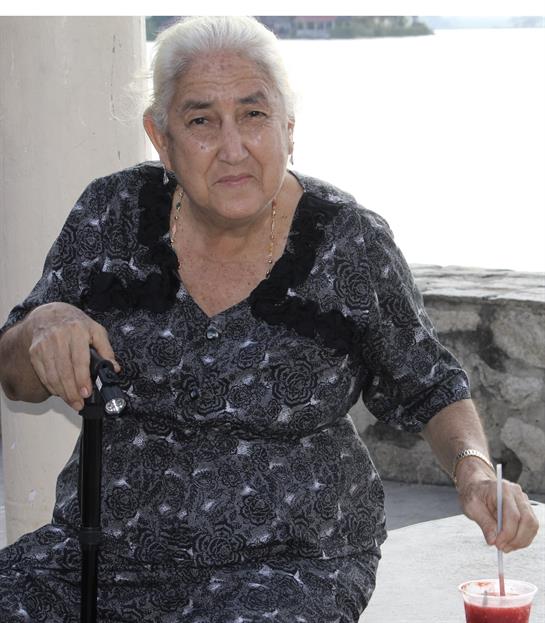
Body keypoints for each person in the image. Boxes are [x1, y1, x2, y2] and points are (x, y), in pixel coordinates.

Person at [0, 15, 538, 623]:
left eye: (254, 115)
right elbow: (16, 377)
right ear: (160, 137)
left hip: (289, 566)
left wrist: (474, 474)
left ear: (288, 128)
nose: (233, 148)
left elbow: (430, 386)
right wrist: (44, 324)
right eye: (201, 121)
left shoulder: (348, 243)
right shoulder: (112, 214)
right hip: (100, 556)